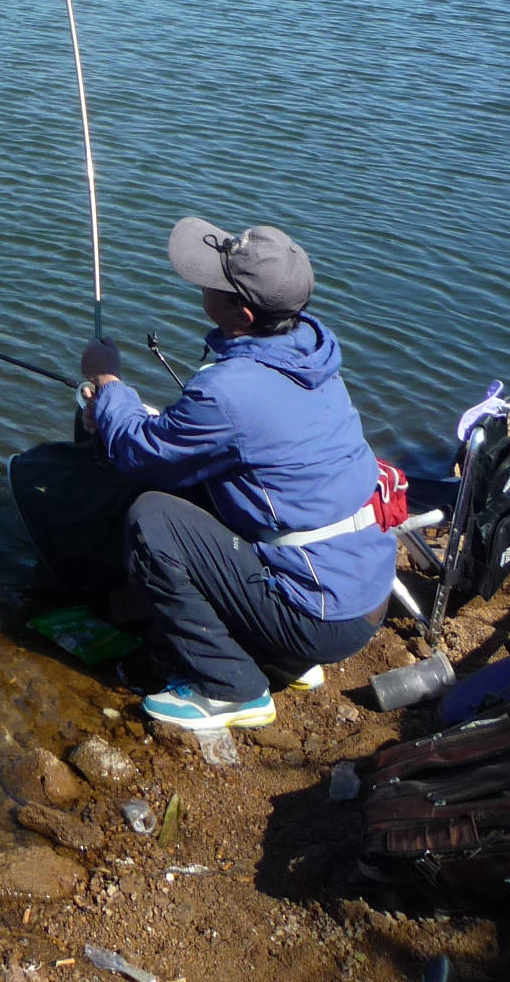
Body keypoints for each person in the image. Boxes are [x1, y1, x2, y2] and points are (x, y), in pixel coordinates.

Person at [79, 217, 396, 732]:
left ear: (242, 314)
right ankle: (283, 660)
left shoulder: (229, 392)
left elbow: (140, 454)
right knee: (205, 490)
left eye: (213, 283)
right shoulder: (311, 352)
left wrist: (108, 382)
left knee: (153, 516)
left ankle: (232, 688)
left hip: (322, 617)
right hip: (364, 593)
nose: (203, 283)